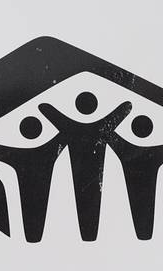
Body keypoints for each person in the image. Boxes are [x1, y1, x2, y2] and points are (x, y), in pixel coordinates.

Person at [37, 92, 132, 241]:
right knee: (91, 202)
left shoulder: (70, 128)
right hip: (93, 177)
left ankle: (88, 237)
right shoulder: (102, 128)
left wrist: (45, 108)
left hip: (82, 175)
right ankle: (90, 237)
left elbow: (49, 112)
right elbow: (122, 112)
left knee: (86, 202)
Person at [0, 114, 66, 243]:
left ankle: (32, 239)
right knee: (36, 217)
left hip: (29, 187)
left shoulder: (17, 155)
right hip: (40, 187)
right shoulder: (50, 148)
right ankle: (33, 238)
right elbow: (64, 134)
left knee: (32, 219)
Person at [105, 113, 163, 240]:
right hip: (141, 164)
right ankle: (144, 235)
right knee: (142, 208)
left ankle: (144, 235)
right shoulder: (152, 152)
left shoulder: (126, 148)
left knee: (141, 208)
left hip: (134, 162)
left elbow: (108, 133)